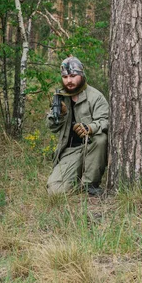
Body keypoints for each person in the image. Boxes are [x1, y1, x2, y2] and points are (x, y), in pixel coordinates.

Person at [46, 56, 109, 196]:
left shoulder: (95, 97)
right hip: (71, 151)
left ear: (81, 74)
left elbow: (106, 120)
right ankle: (77, 180)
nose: (69, 80)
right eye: (65, 76)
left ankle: (90, 184)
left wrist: (90, 128)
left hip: (91, 148)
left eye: (73, 76)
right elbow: (52, 127)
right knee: (55, 191)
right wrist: (60, 114)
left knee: (100, 138)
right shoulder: (61, 98)